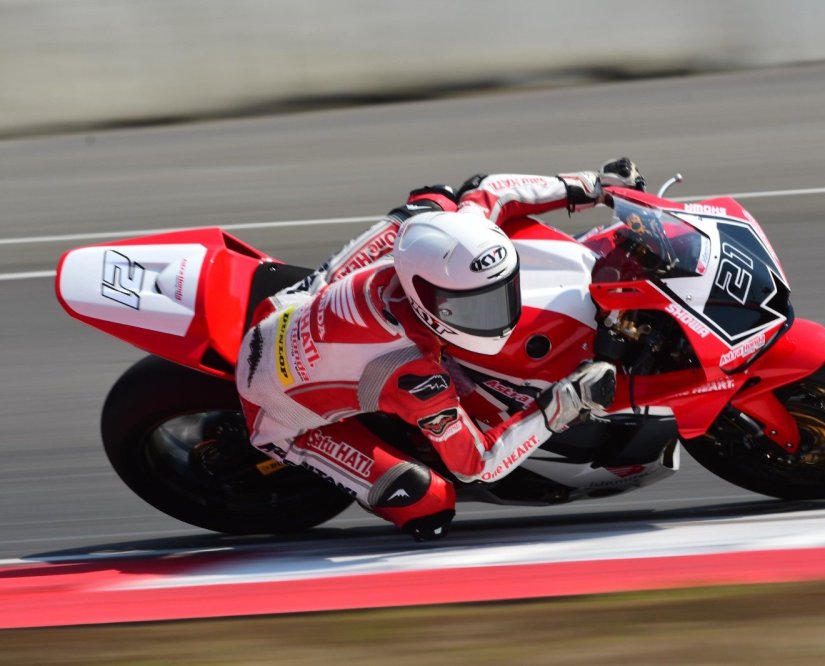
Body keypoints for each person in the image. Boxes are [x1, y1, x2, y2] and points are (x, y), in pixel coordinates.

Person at [235, 158, 646, 540]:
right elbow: (476, 465)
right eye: (475, 306)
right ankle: (302, 449)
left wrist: (593, 185)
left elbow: (489, 191)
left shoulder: (437, 252)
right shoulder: (412, 372)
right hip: (274, 409)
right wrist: (563, 404)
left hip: (290, 305)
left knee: (432, 202)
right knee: (430, 504)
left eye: (501, 292)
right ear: (427, 299)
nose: (498, 315)